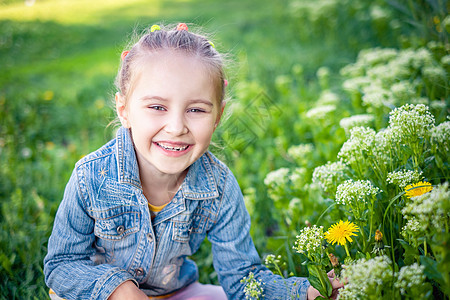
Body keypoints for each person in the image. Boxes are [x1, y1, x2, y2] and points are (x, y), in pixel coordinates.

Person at [44, 23, 343, 300]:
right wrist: (118, 289)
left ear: (218, 117)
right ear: (124, 110)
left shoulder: (219, 186)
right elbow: (61, 265)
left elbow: (243, 279)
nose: (176, 127)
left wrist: (305, 292)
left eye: (196, 110)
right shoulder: (92, 175)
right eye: (157, 106)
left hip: (174, 292)